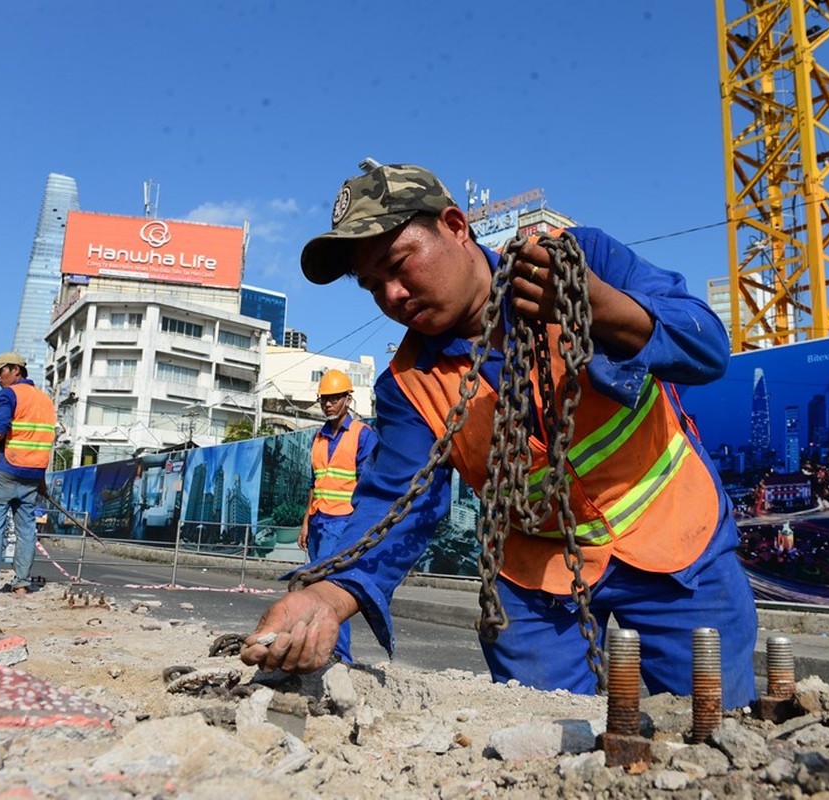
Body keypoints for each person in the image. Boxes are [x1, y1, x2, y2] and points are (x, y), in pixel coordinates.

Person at [241, 162, 759, 709]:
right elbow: (396, 502)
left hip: (674, 541)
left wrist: (597, 306)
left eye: (399, 264)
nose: (392, 294)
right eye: (372, 286)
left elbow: (704, 346)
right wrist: (326, 593)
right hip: (538, 576)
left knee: (712, 723)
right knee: (539, 734)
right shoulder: (408, 386)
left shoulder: (577, 261)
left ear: (456, 226)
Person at [297, 369, 379, 665]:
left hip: (344, 523)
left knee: (335, 589)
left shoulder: (363, 436)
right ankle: (322, 647)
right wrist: (306, 521)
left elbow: (368, 485)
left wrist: (361, 528)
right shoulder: (318, 438)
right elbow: (314, 482)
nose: (329, 404)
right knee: (317, 587)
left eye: (334, 398)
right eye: (325, 399)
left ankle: (340, 655)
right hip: (319, 521)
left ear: (348, 399)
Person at [0, 351, 56, 597]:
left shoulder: (8, 395)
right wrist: (41, 481)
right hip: (32, 476)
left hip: (4, 471)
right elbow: (41, 443)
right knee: (26, 530)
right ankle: (21, 583)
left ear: (15, 370)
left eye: (0, 372)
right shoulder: (46, 401)